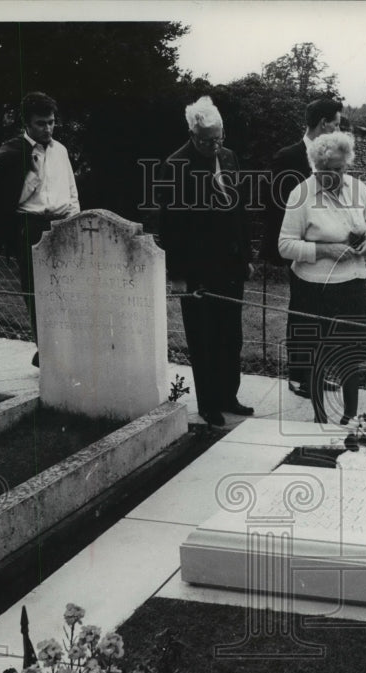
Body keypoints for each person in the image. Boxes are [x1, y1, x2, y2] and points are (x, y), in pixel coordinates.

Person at [278, 131, 366, 424]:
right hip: (312, 288)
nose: (333, 176)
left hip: (350, 284)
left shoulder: (359, 189)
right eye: (325, 170)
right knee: (316, 355)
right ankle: (320, 417)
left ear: (347, 165)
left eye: (339, 169)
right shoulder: (300, 194)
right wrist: (325, 250)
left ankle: (351, 417)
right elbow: (285, 245)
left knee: (351, 354)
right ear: (315, 166)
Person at [158, 96, 253, 427]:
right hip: (198, 268)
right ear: (193, 134)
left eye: (219, 138)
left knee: (231, 336)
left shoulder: (228, 157)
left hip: (230, 264)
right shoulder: (176, 165)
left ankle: (229, 395)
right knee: (205, 338)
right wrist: (179, 276)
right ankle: (209, 403)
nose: (215, 145)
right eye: (207, 140)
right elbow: (171, 225)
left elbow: (239, 211)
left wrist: (246, 256)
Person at [0, 92, 80, 367]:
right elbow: (5, 201)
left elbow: (71, 191)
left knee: (67, 291)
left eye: (51, 122)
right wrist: (33, 176)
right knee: (37, 295)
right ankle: (47, 352)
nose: (47, 128)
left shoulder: (60, 151)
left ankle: (62, 349)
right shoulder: (12, 153)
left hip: (62, 224)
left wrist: (75, 222)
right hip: (31, 227)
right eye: (40, 123)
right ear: (27, 124)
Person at [264, 97, 343, 400]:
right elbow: (276, 206)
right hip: (300, 248)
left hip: (329, 249)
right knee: (302, 311)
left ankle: (319, 374)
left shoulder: (334, 157)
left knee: (325, 314)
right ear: (324, 123)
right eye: (336, 123)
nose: (338, 128)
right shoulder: (288, 157)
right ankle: (299, 377)